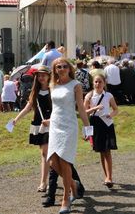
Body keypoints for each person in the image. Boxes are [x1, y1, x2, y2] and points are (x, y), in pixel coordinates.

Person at [47, 57, 92, 214]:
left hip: (69, 126)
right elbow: (55, 108)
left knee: (65, 162)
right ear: (55, 70)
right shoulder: (52, 85)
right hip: (55, 126)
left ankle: (66, 199)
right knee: (53, 161)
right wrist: (48, 121)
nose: (62, 68)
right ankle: (73, 183)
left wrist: (87, 129)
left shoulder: (76, 85)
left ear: (69, 68)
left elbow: (81, 108)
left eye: (65, 66)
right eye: (58, 66)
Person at [12, 66, 52, 193]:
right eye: (39, 75)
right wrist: (16, 119)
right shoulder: (34, 91)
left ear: (49, 76)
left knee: (47, 153)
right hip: (39, 124)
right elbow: (28, 108)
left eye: (43, 75)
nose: (41, 77)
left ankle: (46, 182)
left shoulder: (54, 91)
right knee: (44, 154)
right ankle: (46, 180)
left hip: (51, 124)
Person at [84, 73, 119, 187]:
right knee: (101, 151)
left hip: (107, 124)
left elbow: (115, 109)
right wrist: (95, 108)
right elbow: (84, 112)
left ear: (104, 83)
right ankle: (106, 176)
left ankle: (109, 177)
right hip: (95, 124)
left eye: (100, 82)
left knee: (107, 151)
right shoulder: (89, 96)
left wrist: (111, 114)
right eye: (96, 82)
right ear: (93, 83)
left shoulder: (108, 95)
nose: (98, 84)